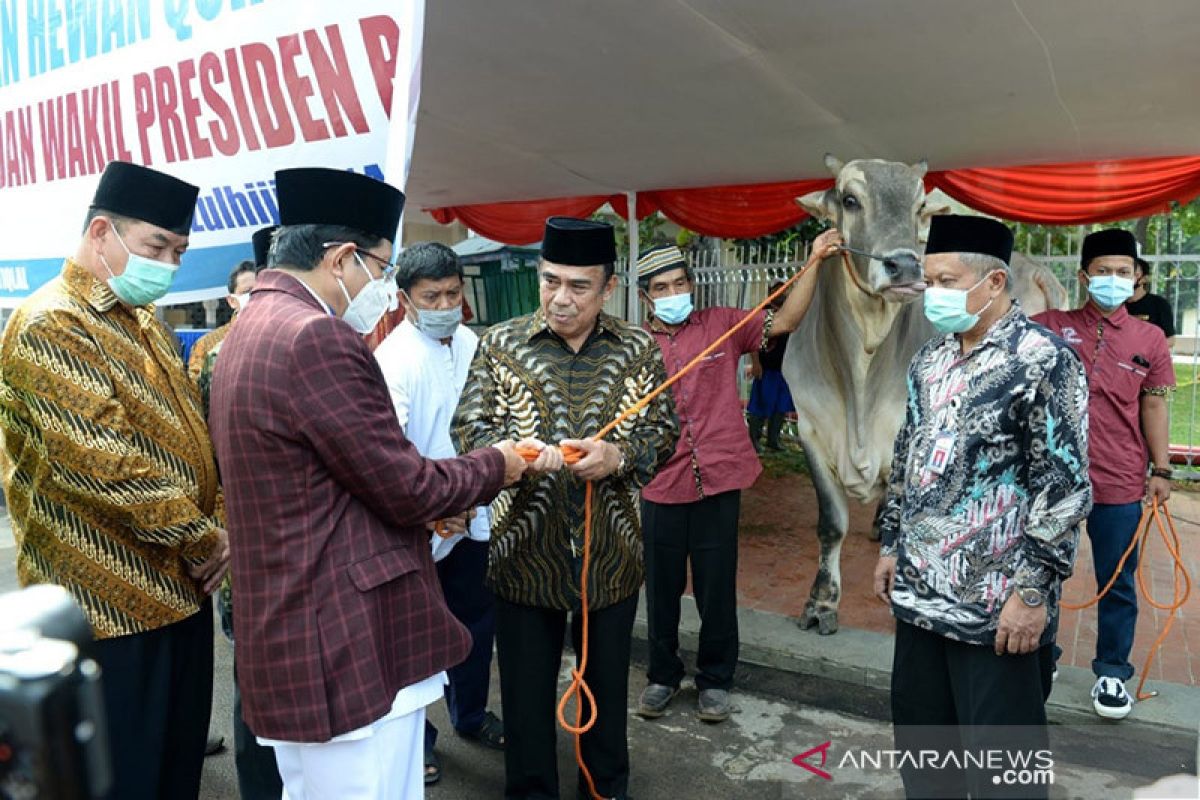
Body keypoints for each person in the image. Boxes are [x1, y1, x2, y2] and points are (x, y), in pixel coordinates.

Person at [208, 167, 527, 800]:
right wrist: (501, 462)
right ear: (342, 258)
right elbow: (406, 487)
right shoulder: (316, 336)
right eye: (382, 270)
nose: (382, 287)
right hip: (344, 637)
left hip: (292, 626)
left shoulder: (249, 329)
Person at [0, 160, 229, 800]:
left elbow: (194, 437)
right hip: (108, 610)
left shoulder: (144, 321)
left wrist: (215, 531)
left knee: (176, 768)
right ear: (102, 231)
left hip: (179, 594)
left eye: (179, 252)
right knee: (125, 778)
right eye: (158, 246)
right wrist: (207, 539)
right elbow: (106, 468)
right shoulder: (53, 323)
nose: (169, 265)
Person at [453, 216, 678, 800]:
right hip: (524, 558)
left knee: (604, 693)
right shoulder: (500, 346)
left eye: (579, 286)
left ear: (607, 288)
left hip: (611, 555)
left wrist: (619, 455)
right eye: (550, 280)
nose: (560, 298)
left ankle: (604, 790)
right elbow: (469, 428)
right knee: (526, 698)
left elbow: (664, 431)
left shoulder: (637, 347)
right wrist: (514, 455)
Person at [874, 215, 1091, 799]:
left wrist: (1031, 592)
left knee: (1006, 782)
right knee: (927, 770)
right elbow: (909, 456)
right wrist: (892, 543)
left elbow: (1064, 489)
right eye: (930, 279)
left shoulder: (1044, 361)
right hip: (920, 604)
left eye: (946, 279)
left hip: (997, 617)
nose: (933, 292)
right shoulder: (930, 360)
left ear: (994, 283)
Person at [633, 233, 841, 723]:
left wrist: (812, 261)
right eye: (661, 288)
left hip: (719, 482)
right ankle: (662, 677)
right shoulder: (635, 347)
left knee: (716, 590)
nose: (673, 293)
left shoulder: (724, 326)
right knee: (661, 592)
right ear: (645, 296)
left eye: (680, 283)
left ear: (692, 285)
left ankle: (715, 681)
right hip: (660, 485)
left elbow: (786, 319)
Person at [373, 242, 505, 786]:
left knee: (475, 625)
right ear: (406, 299)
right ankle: (418, 740)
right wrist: (429, 511)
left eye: (454, 293)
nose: (446, 304)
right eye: (433, 296)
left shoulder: (476, 344)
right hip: (423, 525)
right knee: (418, 636)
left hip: (476, 517)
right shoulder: (392, 359)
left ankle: (470, 715)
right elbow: (390, 451)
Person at [1033, 229, 1175, 721]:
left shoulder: (1149, 338)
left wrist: (1161, 469)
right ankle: (1039, 658)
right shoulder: (1047, 326)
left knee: (1118, 580)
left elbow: (1154, 405)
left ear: (1136, 278)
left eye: (1122, 271)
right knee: (1042, 573)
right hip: (1052, 480)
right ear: (1083, 275)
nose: (1111, 279)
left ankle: (1112, 673)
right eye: (1102, 270)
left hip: (1119, 480)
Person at [194, 224, 285, 798]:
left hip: (290, 538)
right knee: (254, 674)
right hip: (241, 536)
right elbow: (201, 449)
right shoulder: (213, 353)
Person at [187, 259, 257, 381]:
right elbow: (195, 392)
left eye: (260, 290)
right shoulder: (206, 345)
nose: (256, 296)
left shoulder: (282, 338)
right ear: (231, 301)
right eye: (248, 292)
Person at [745, 282, 795, 452]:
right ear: (771, 292)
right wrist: (756, 363)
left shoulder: (789, 312)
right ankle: (753, 440)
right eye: (778, 289)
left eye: (786, 289)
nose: (783, 293)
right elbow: (752, 340)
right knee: (760, 405)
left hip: (784, 368)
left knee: (781, 405)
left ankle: (774, 440)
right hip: (766, 368)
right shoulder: (762, 312)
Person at [1125, 256, 1176, 348]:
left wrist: (1145, 349)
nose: (1126, 278)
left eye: (1133, 274)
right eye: (1124, 273)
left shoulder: (1159, 304)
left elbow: (1170, 340)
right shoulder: (1114, 304)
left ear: (1144, 278)